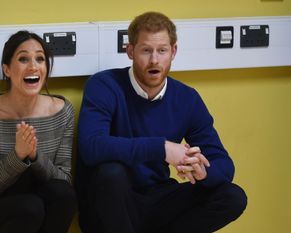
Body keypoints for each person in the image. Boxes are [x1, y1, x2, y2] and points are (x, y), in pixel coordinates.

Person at [75, 11, 247, 233]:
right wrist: (162, 148)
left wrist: (203, 172)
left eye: (162, 50)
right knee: (111, 173)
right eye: (146, 50)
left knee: (232, 197)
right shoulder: (104, 85)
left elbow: (224, 165)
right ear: (130, 51)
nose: (154, 60)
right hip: (108, 206)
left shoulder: (187, 98)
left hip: (157, 199)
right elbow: (92, 147)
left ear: (173, 51)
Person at [0, 30, 76, 233]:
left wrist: (35, 156)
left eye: (40, 59)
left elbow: (64, 182)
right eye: (23, 59)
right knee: (28, 208)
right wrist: (18, 156)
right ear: (7, 69)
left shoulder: (62, 111)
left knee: (63, 195)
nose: (33, 66)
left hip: (34, 204)